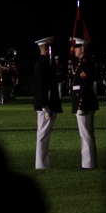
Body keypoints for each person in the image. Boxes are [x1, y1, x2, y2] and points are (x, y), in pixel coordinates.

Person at [33, 36, 63, 169]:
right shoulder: (42, 63)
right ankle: (41, 164)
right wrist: (44, 105)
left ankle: (43, 163)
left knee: (45, 134)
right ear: (44, 48)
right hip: (46, 103)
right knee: (43, 134)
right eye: (49, 47)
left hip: (49, 102)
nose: (51, 49)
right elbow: (41, 86)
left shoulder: (48, 62)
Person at [70, 37, 99, 169]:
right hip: (85, 102)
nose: (74, 49)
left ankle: (88, 164)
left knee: (86, 134)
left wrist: (81, 105)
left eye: (76, 47)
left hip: (85, 103)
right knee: (86, 134)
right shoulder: (84, 63)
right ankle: (89, 163)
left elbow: (85, 87)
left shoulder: (85, 65)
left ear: (83, 49)